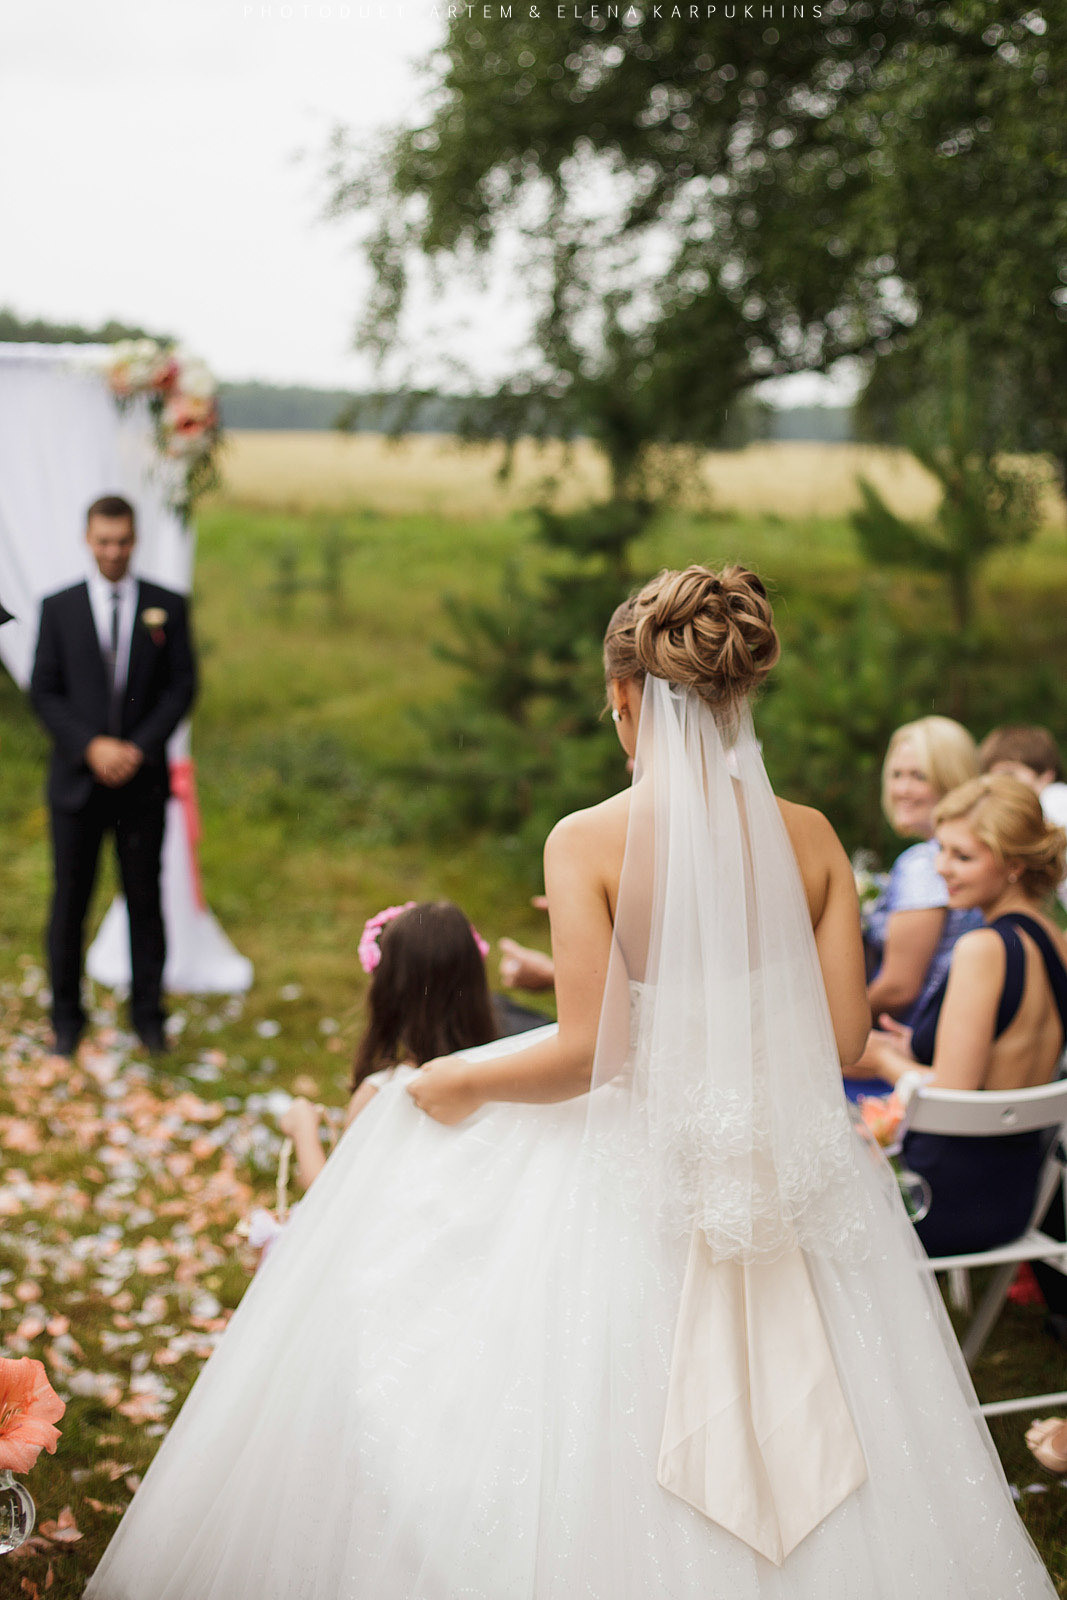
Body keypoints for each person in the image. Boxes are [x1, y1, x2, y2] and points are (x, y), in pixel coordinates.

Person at [86, 567, 1056, 1599]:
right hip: (787, 1175)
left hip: (644, 1168)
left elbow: (589, 1048)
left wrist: (451, 1076)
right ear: (735, 697)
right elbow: (838, 1035)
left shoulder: (584, 840)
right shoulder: (810, 836)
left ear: (625, 699)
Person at [858, 774, 1067, 1257]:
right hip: (1013, 1196)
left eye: (962, 856)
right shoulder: (1052, 939)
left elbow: (954, 1099)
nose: (941, 868)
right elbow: (1009, 1052)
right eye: (942, 849)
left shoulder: (983, 948)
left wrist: (883, 1059)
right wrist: (918, 1041)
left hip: (938, 1200)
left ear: (1014, 865)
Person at [29, 495, 196, 1058]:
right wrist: (91, 745)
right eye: (103, 541)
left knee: (144, 902)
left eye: (122, 541)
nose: (113, 551)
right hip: (76, 785)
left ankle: (149, 1018)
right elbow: (45, 690)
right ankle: (66, 1019)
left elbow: (181, 688)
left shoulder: (167, 606)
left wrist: (136, 749)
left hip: (141, 784)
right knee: (69, 904)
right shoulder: (59, 608)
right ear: (87, 539)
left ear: (135, 539)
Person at [280, 900, 514, 1189]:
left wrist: (304, 1129)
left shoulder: (383, 1092)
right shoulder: (507, 1075)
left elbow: (333, 1200)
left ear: (386, 991)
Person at [980, 724, 1067, 910]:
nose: (1001, 786)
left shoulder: (1054, 799)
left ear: (1046, 774)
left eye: (1009, 774)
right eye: (993, 778)